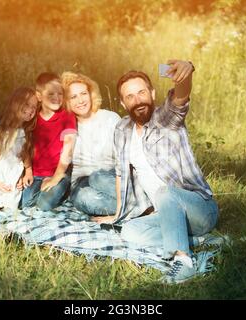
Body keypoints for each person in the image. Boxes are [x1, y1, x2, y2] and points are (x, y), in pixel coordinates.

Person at [93, 60, 219, 284]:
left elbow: (180, 98)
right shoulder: (122, 129)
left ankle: (184, 262)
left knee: (165, 192)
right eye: (130, 96)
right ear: (122, 103)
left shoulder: (166, 119)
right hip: (166, 214)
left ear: (152, 93)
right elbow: (122, 173)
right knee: (129, 232)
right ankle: (198, 242)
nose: (137, 100)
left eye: (141, 92)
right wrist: (118, 213)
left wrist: (186, 73)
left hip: (199, 210)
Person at [61, 72, 120, 216]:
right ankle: (136, 208)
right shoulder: (67, 128)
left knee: (98, 177)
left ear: (91, 94)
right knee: (84, 198)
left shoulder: (110, 119)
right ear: (66, 102)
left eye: (83, 94)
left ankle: (129, 206)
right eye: (73, 97)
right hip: (81, 183)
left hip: (111, 177)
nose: (80, 100)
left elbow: (124, 156)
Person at [20, 72, 77, 210]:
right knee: (25, 204)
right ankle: (46, 191)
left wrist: (56, 177)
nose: (56, 98)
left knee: (44, 205)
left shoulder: (66, 116)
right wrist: (27, 172)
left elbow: (68, 148)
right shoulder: (32, 116)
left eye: (60, 94)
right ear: (39, 96)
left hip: (59, 172)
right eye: (51, 94)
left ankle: (65, 191)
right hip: (36, 174)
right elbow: (21, 141)